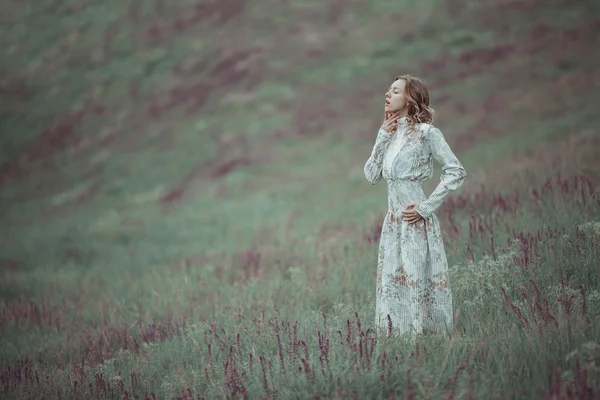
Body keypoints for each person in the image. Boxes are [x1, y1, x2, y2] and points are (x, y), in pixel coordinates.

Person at [364, 74, 467, 339]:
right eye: (389, 89)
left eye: (395, 91)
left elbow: (456, 171)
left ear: (410, 99)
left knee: (417, 282)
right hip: (393, 224)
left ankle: (427, 342)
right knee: (394, 285)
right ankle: (400, 345)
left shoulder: (427, 133)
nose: (387, 94)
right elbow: (371, 175)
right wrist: (381, 137)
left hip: (415, 221)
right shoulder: (390, 134)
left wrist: (426, 207)